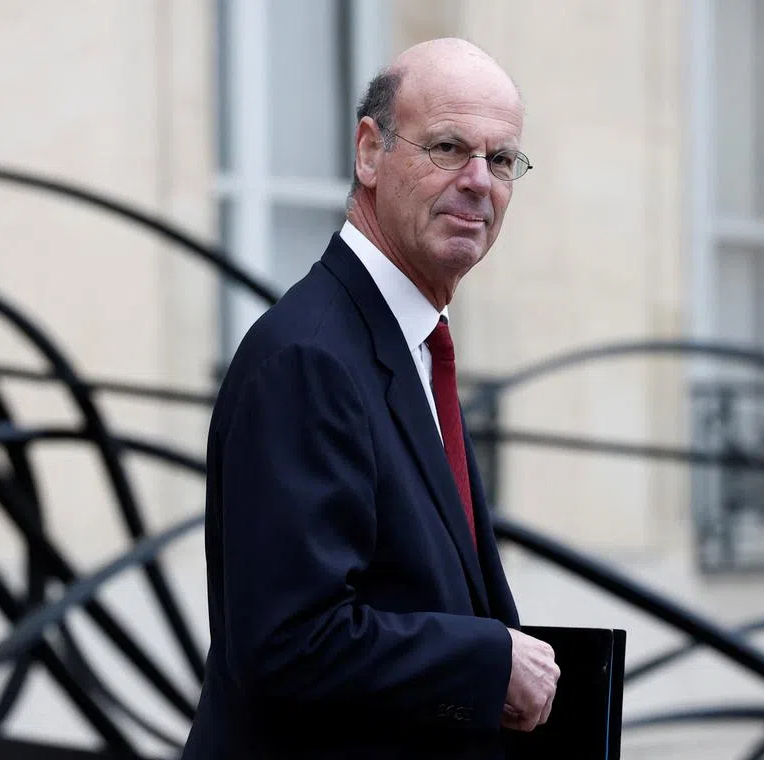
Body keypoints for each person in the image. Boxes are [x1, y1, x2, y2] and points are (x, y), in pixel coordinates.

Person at [181, 37, 559, 759]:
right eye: (449, 148)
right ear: (368, 153)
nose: (480, 181)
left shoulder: (402, 344)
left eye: (502, 159)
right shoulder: (308, 358)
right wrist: (490, 661)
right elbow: (291, 640)